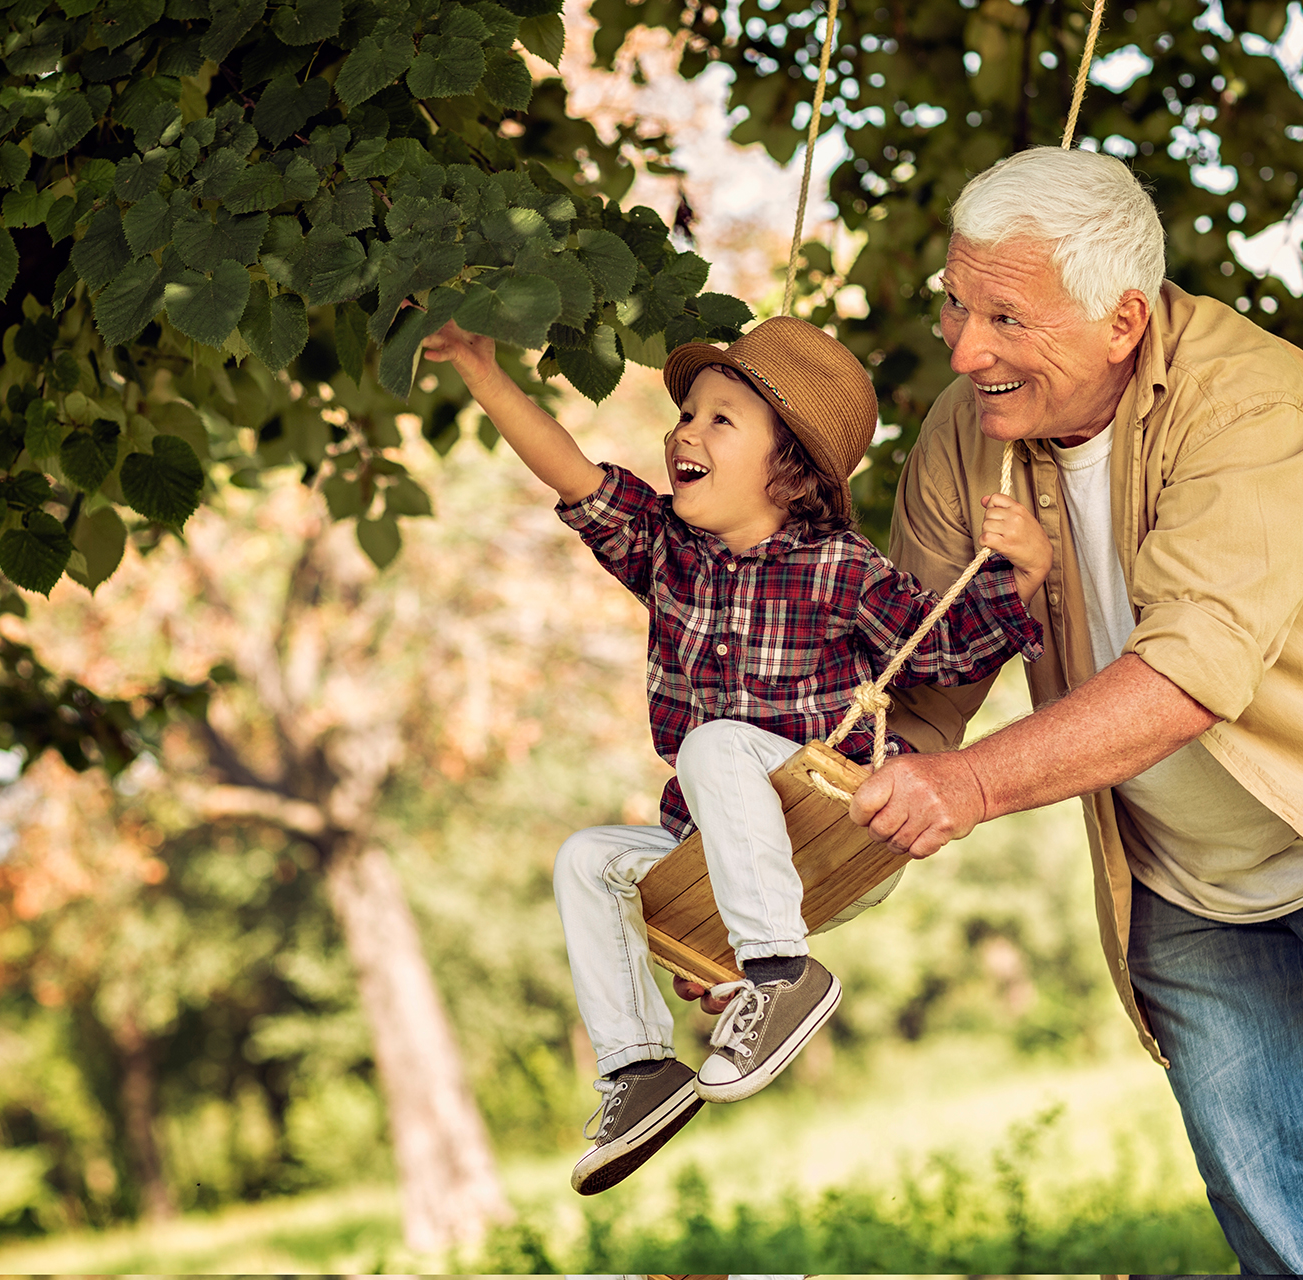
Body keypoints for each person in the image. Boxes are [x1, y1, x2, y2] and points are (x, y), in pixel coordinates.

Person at [843, 146, 1303, 1274]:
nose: (965, 349)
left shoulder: (1252, 396)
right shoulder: (965, 433)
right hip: (1190, 888)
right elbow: (914, 696)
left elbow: (1191, 668)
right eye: (955, 302)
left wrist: (972, 785)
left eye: (1005, 317)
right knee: (1286, 1235)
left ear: (1122, 320)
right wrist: (760, 901)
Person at [421, 314, 1053, 1196]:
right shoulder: (666, 554)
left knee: (715, 744)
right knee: (588, 859)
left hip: (832, 821)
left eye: (721, 419)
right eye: (688, 414)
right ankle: (640, 1069)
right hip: (722, 849)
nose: (686, 431)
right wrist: (482, 369)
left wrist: (1023, 573)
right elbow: (573, 474)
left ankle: (781, 977)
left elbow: (939, 648)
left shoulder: (837, 565)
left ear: (788, 470)